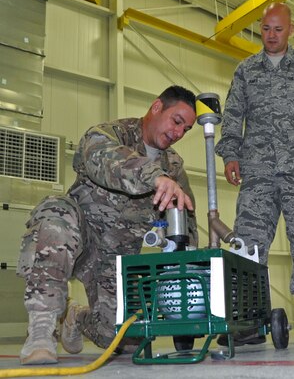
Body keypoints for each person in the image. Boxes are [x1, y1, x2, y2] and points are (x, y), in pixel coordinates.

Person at [17, 85, 199, 364]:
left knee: (126, 336)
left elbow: (186, 224)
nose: (178, 134)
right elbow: (98, 155)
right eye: (177, 121)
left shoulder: (173, 166)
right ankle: (41, 331)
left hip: (116, 261)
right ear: (157, 107)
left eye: (185, 130)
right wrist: (153, 177)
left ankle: (77, 318)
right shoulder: (112, 134)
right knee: (54, 215)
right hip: (80, 239)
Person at [215, 2, 294, 345]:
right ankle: (250, 322)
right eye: (266, 29)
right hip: (257, 172)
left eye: (278, 30)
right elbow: (233, 115)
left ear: (290, 29)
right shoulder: (246, 70)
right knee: (248, 245)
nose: (270, 36)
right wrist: (229, 155)